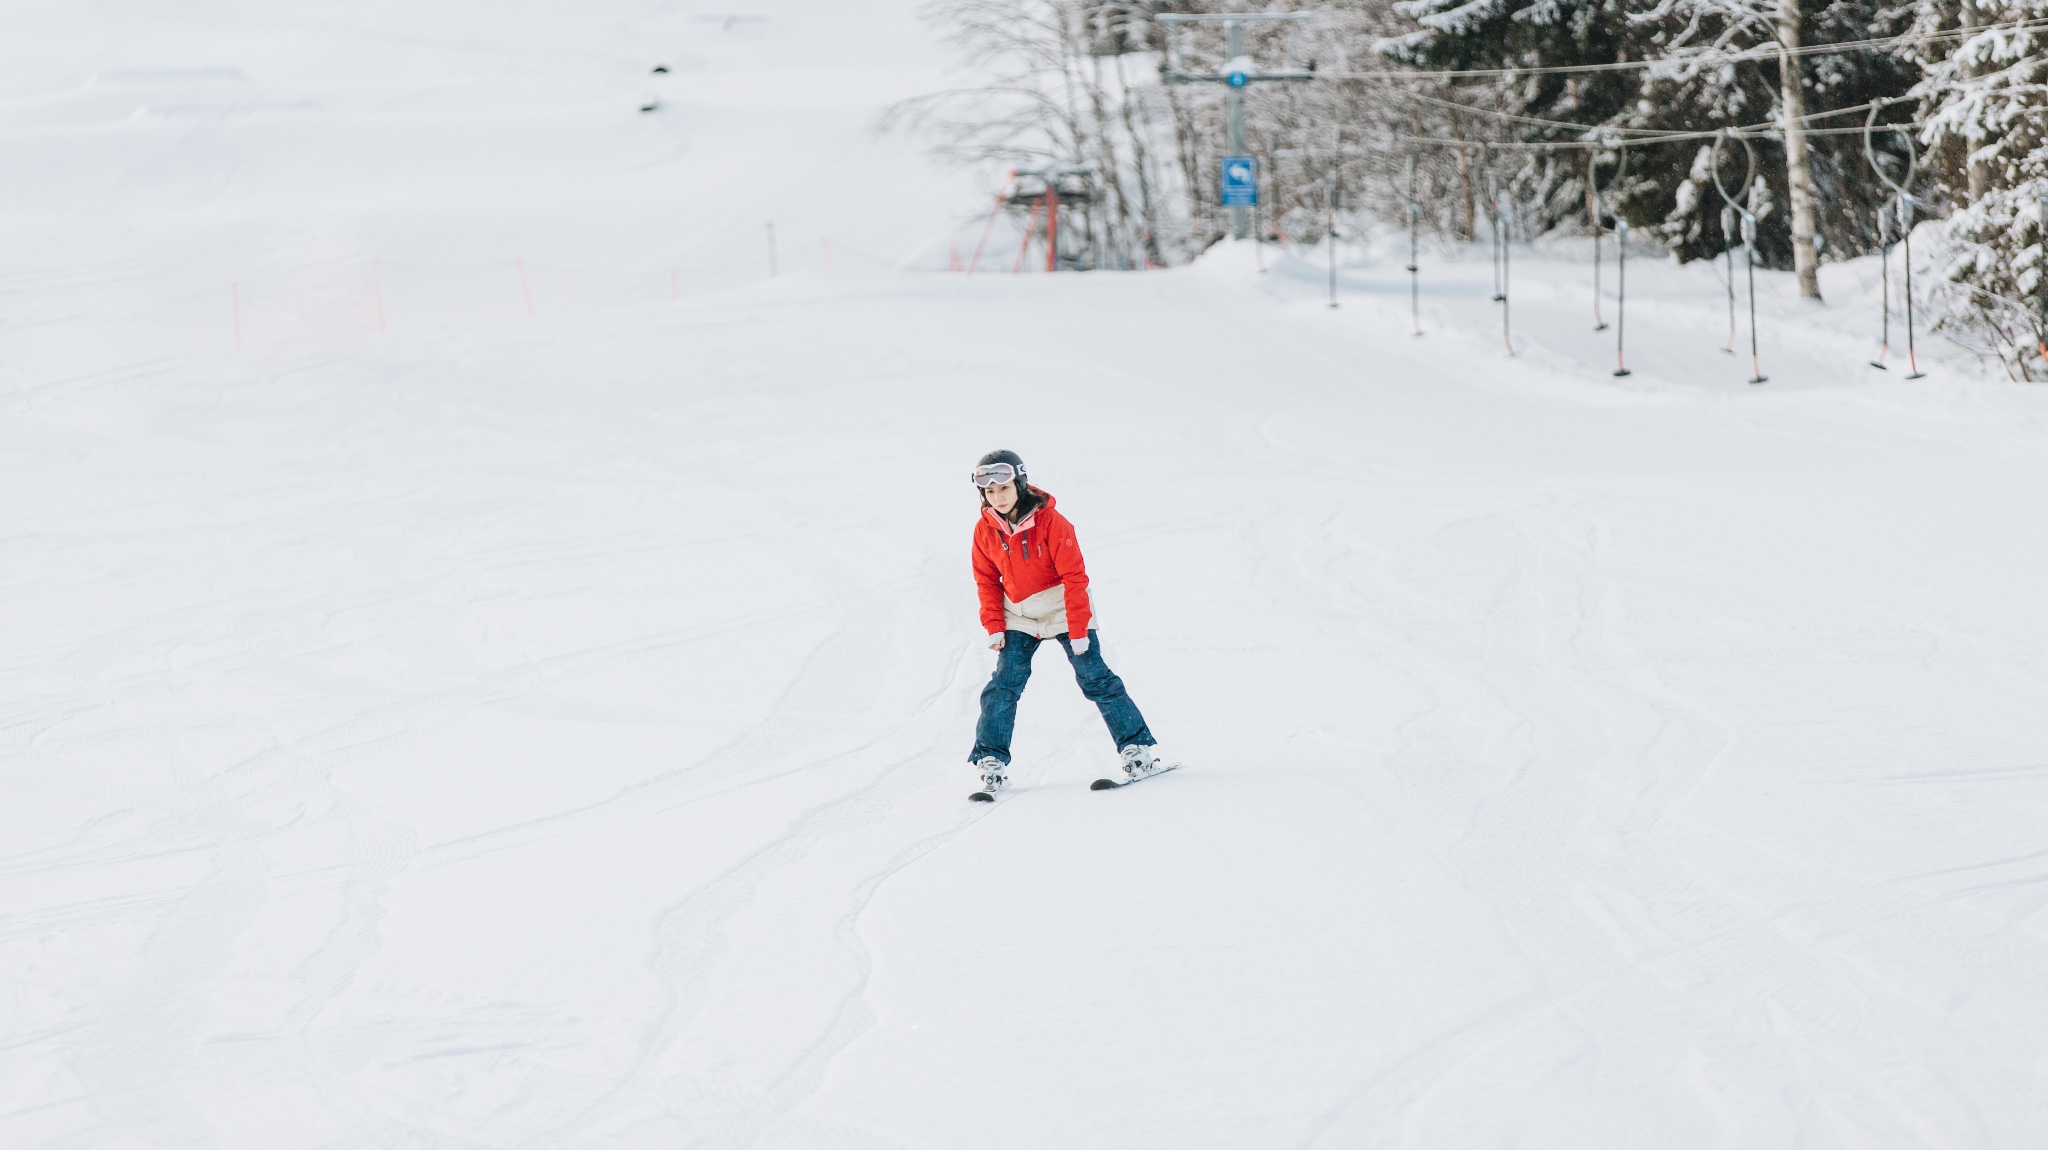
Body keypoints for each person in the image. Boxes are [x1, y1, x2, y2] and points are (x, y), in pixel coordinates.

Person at [966, 449, 1165, 797]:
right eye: (990, 491)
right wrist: (994, 624)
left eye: (1004, 488)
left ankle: (1137, 750)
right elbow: (986, 581)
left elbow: (1075, 578)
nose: (997, 497)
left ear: (1020, 484)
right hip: (1019, 613)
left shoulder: (1053, 523)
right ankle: (991, 760)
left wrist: (1077, 631)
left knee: (1094, 676)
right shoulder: (984, 530)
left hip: (1062, 606)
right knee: (1005, 683)